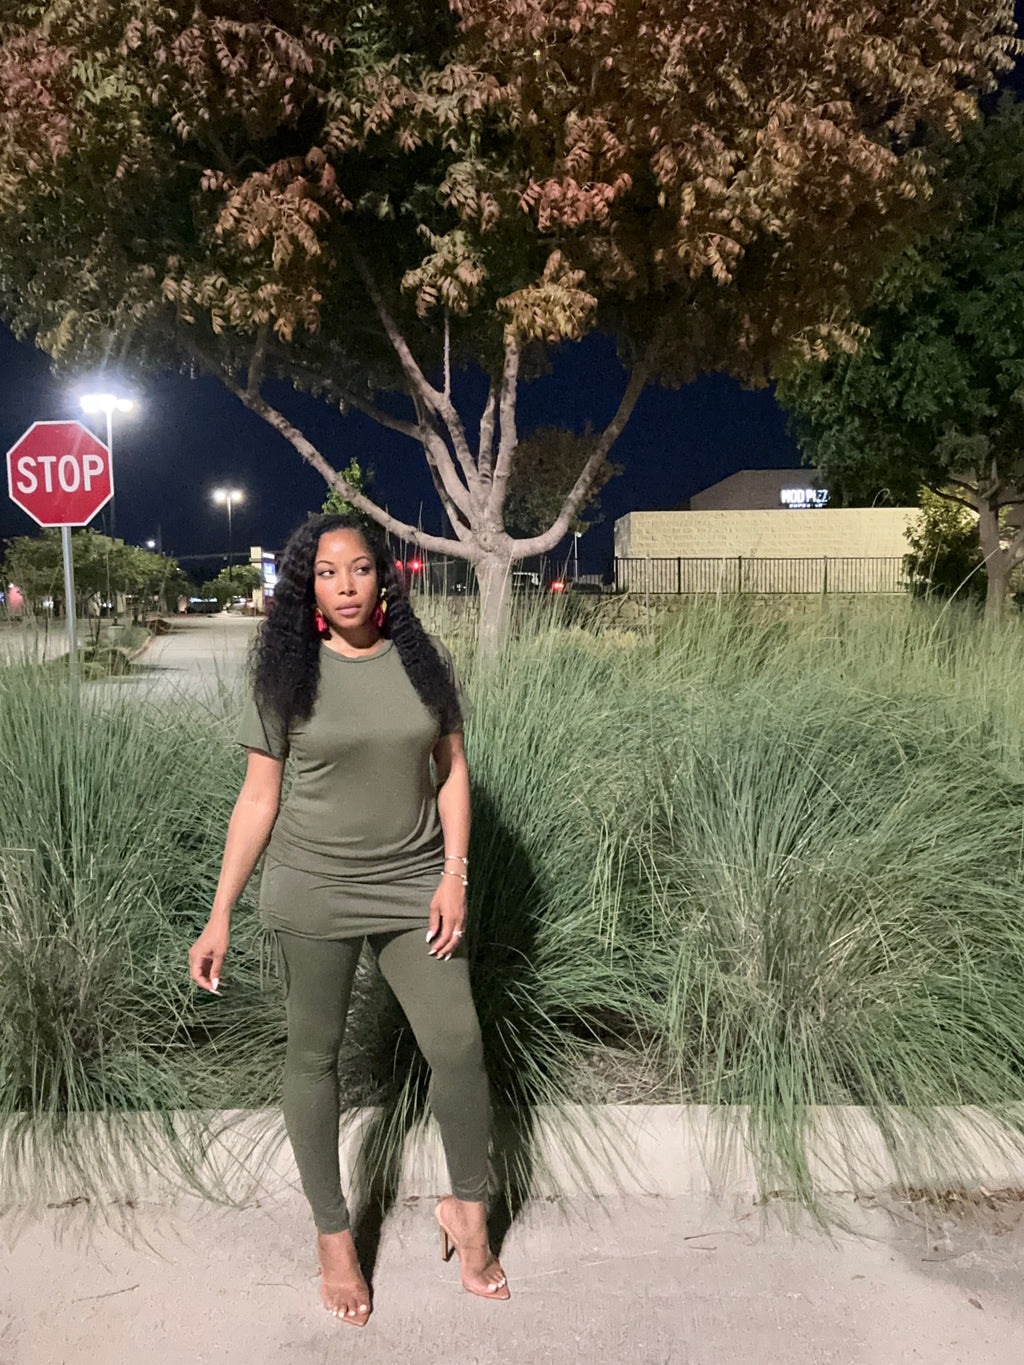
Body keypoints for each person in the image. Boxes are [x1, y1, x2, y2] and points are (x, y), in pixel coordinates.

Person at [188, 513, 509, 1326]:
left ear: (383, 577)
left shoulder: (421, 665)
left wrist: (454, 873)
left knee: (459, 1042)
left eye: (360, 569)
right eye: (327, 574)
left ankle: (466, 1209)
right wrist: (219, 912)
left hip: (412, 884)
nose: (346, 585)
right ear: (310, 589)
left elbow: (452, 774)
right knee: (314, 1054)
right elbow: (259, 798)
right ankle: (334, 1235)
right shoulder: (288, 677)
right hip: (312, 887)